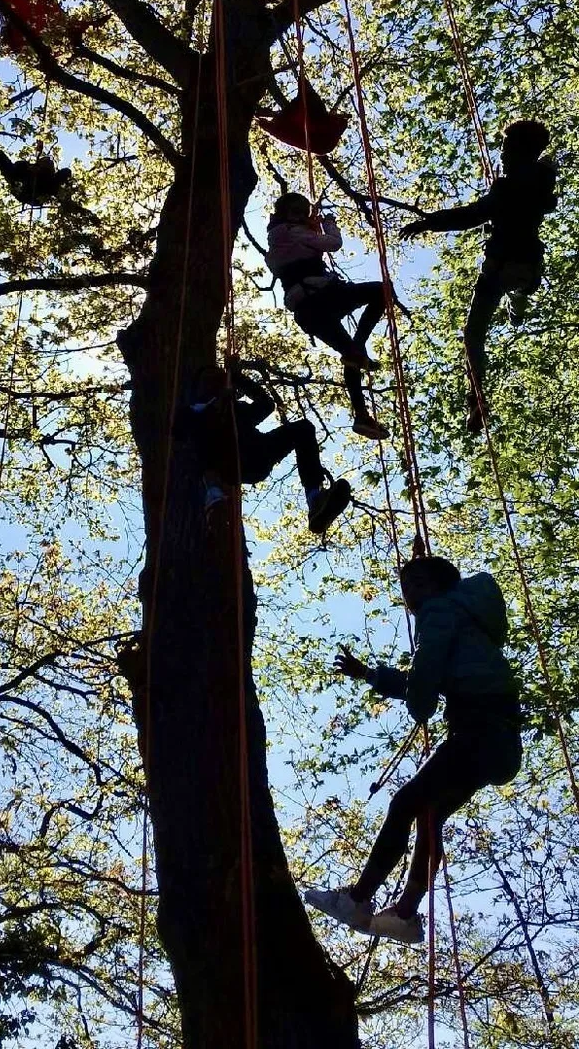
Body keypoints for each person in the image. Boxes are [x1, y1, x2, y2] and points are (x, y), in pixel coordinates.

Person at [305, 555, 522, 944]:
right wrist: (370, 674)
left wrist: (420, 705)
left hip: (477, 731)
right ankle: (405, 915)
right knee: (430, 814)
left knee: (405, 803)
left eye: (418, 583)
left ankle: (357, 900)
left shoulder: (438, 612)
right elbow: (434, 673)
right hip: (498, 741)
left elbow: (425, 676)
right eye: (406, 587)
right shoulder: (468, 614)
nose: (410, 594)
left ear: (440, 584)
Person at [400, 120, 557, 432]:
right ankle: (518, 303)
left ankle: (477, 397)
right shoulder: (540, 183)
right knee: (508, 298)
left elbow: (469, 216)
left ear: (518, 151)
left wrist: (427, 223)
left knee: (473, 335)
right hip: (522, 268)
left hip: (502, 268)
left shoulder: (511, 189)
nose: (501, 156)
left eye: (506, 149)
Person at [266, 193, 409, 441]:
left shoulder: (280, 238)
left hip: (309, 310)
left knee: (351, 356)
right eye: (295, 211)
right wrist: (328, 225)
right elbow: (333, 244)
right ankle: (358, 347)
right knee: (381, 290)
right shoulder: (290, 231)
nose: (300, 216)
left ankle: (361, 414)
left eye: (303, 212)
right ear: (284, 213)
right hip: (321, 296)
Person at [174, 361, 353, 536]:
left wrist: (237, 377)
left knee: (303, 429)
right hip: (226, 463)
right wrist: (213, 410)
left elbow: (266, 405)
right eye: (208, 379)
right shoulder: (190, 412)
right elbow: (179, 434)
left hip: (257, 454)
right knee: (201, 435)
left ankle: (315, 500)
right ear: (197, 388)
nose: (214, 383)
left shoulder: (236, 407)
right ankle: (214, 496)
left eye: (219, 379)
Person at [0, 147, 97, 221]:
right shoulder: (25, 168)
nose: (46, 164)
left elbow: (65, 175)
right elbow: (14, 170)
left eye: (47, 165)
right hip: (22, 185)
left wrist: (84, 213)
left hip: (35, 193)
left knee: (58, 179)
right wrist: (29, 168)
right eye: (43, 162)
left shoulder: (53, 183)